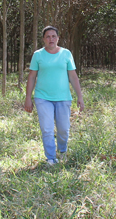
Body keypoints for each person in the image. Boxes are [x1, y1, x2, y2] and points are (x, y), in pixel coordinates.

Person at [24, 25, 85, 165]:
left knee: (63, 129)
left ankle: (62, 151)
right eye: (48, 37)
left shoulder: (66, 54)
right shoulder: (38, 55)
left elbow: (73, 76)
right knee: (47, 129)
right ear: (43, 39)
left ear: (58, 38)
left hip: (63, 97)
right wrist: (28, 98)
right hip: (42, 97)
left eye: (53, 36)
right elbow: (32, 77)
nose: (51, 39)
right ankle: (51, 158)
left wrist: (79, 97)